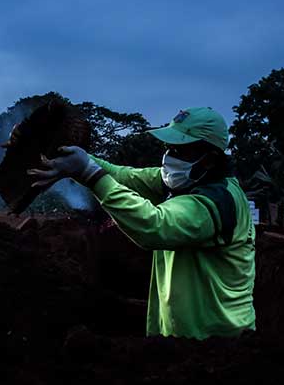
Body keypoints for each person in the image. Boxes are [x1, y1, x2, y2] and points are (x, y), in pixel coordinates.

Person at [21, 107, 255, 340]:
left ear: (210, 158)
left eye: (181, 149)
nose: (170, 155)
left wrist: (89, 174)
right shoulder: (184, 181)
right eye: (169, 147)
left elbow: (155, 226)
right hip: (184, 341)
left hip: (221, 344)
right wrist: (71, 158)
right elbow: (124, 176)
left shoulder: (216, 201)